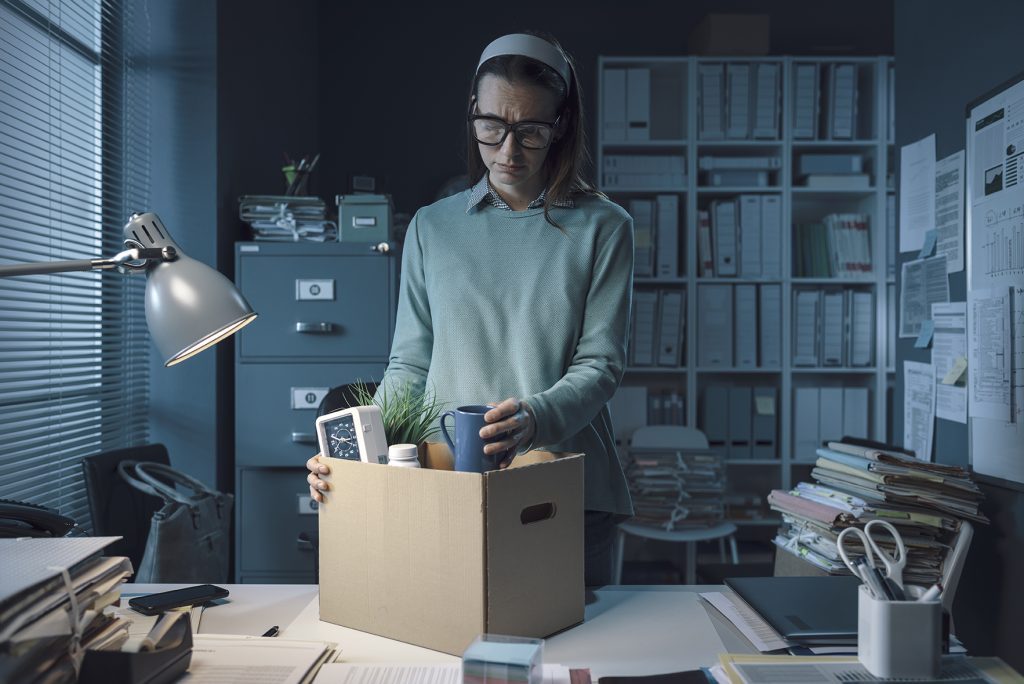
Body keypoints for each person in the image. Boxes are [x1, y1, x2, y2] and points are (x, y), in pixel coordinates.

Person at [306, 31, 634, 586]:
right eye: (493, 127)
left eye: (531, 131)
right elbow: (410, 363)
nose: (508, 151)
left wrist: (535, 419)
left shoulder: (604, 228)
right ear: (473, 115)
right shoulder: (433, 227)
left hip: (562, 488)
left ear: (562, 125)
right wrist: (361, 457)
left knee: (575, 656)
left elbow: (601, 365)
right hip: (445, 483)